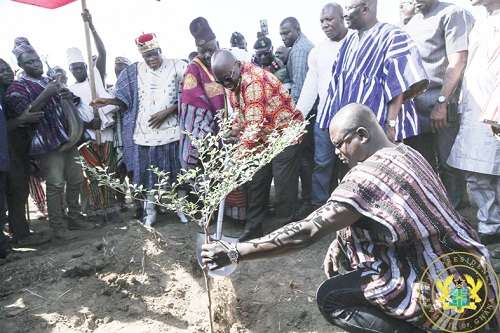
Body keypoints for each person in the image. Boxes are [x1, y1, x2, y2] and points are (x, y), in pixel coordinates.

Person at [202, 103, 499, 333]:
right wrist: (343, 238)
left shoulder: (366, 178)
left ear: (361, 135)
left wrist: (235, 251)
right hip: (475, 271)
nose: (337, 153)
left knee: (332, 298)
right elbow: (385, 215)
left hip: (447, 296)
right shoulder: (409, 153)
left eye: (340, 143)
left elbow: (305, 232)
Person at [91, 33, 187, 226]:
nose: (151, 59)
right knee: (148, 175)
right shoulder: (134, 71)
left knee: (177, 173)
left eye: (154, 54)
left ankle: (181, 209)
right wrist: (107, 101)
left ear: (160, 50)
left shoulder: (179, 66)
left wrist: (168, 111)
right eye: (147, 56)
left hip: (172, 130)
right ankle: (150, 212)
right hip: (146, 133)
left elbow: (189, 95)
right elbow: (124, 99)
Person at [211, 50, 304, 241]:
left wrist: (235, 162)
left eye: (228, 79)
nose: (226, 85)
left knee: (283, 184)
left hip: (285, 135)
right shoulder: (232, 81)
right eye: (221, 82)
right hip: (264, 135)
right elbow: (241, 113)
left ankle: (288, 233)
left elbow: (253, 128)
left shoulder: (253, 81)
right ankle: (253, 228)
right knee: (256, 180)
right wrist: (234, 130)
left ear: (237, 65)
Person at [4, 38, 87, 240]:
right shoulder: (17, 87)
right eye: (30, 63)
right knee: (56, 184)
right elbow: (25, 114)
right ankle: (58, 227)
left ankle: (75, 218)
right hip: (46, 143)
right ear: (21, 66)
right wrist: (46, 93)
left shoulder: (47, 80)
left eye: (37, 60)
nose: (36, 65)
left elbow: (70, 105)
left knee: (77, 179)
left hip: (67, 138)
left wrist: (65, 94)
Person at [322, 0, 428, 145]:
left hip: (382, 129)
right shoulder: (348, 42)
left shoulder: (393, 37)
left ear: (365, 9)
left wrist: (391, 125)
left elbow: (398, 86)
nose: (344, 14)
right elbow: (337, 85)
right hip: (354, 133)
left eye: (349, 8)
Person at [404, 0, 474, 210]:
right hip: (414, 104)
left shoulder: (453, 13)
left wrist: (442, 103)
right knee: (422, 163)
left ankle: (453, 212)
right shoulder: (412, 21)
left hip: (441, 99)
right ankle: (433, 210)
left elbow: (458, 61)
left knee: (448, 162)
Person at [447, 0, 500, 244]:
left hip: (493, 106)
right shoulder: (480, 22)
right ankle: (490, 226)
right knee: (477, 172)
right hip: (474, 107)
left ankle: (492, 227)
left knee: (492, 170)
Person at [296, 3, 350, 213]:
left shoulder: (357, 42)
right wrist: (298, 115)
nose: (325, 25)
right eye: (322, 21)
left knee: (351, 164)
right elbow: (311, 86)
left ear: (342, 17)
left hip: (350, 119)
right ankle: (319, 207)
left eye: (330, 19)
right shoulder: (317, 51)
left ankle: (349, 206)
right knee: (322, 163)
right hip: (325, 118)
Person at [280, 17, 314, 217]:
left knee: (304, 159)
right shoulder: (300, 47)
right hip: (307, 112)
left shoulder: (300, 50)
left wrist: (294, 120)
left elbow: (300, 89)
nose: (284, 37)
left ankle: (309, 201)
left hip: (305, 113)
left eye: (287, 33)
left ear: (297, 29)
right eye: (281, 34)